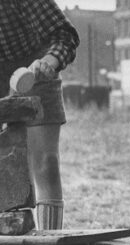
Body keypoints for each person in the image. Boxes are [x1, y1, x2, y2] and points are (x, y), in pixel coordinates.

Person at [0, 0, 80, 229]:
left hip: (34, 70)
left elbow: (65, 36)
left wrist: (48, 62)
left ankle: (48, 244)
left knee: (45, 163)